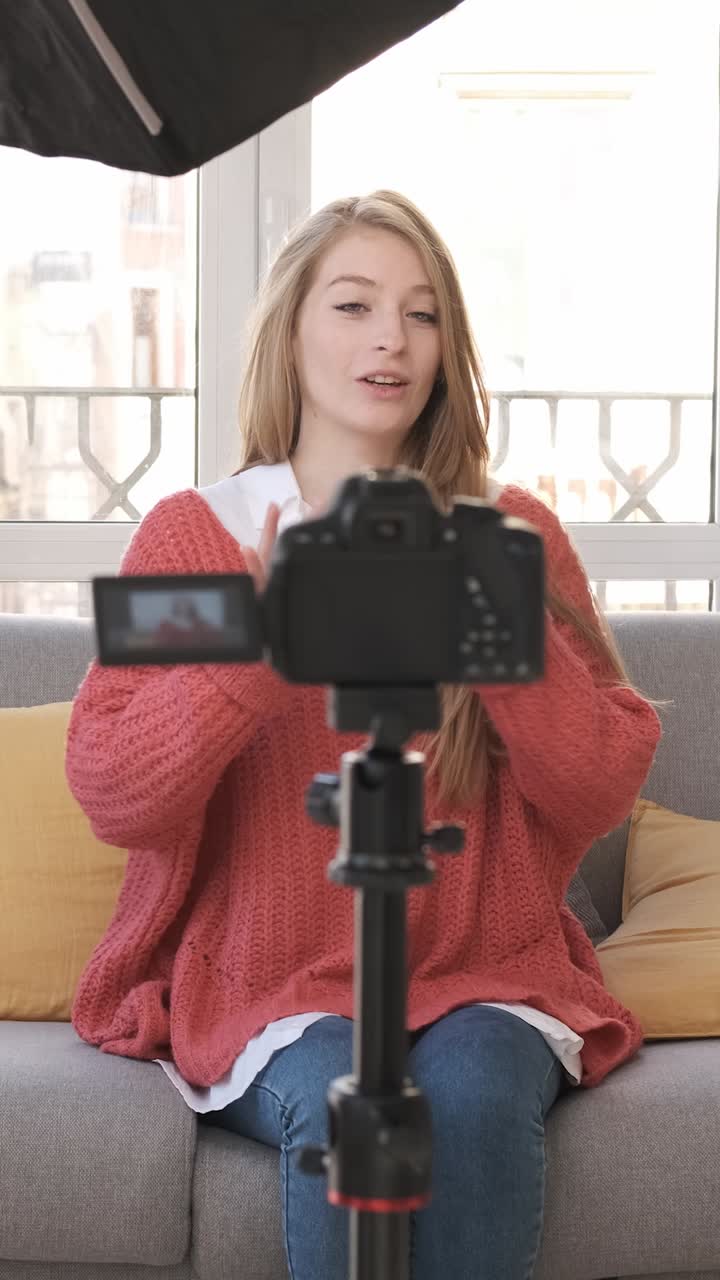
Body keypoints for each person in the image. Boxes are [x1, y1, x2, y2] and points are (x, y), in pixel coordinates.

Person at [65, 190, 662, 1280]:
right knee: (347, 1093)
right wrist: (256, 649)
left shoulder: (509, 533)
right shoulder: (202, 536)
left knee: (473, 1090)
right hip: (273, 984)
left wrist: (501, 627)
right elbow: (111, 787)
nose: (392, 337)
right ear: (290, 333)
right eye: (353, 305)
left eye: (422, 313)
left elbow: (599, 784)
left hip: (486, 970)